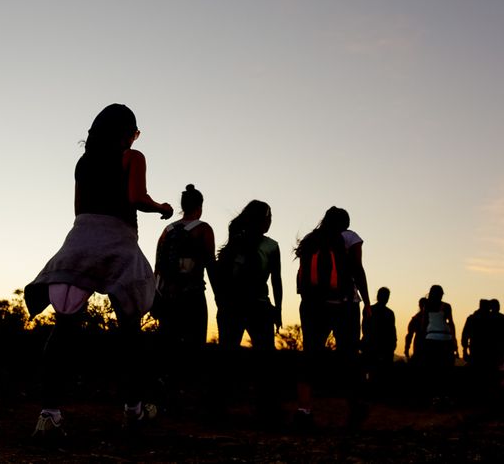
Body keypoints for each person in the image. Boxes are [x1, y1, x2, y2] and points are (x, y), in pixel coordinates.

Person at [23, 103, 173, 438]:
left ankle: (49, 415)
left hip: (80, 241)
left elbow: (78, 209)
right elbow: (137, 197)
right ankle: (133, 411)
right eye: (136, 132)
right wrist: (162, 207)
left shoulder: (83, 162)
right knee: (132, 333)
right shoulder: (132, 157)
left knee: (62, 331)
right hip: (118, 243)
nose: (137, 138)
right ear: (128, 133)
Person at [294, 206, 372, 429]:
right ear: (345, 223)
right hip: (344, 305)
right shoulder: (349, 237)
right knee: (349, 356)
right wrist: (366, 301)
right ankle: (355, 407)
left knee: (310, 355)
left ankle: (304, 410)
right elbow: (358, 268)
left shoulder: (310, 239)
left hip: (311, 305)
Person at [213, 200, 283, 422]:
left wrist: (221, 302)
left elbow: (221, 277)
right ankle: (266, 411)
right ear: (262, 220)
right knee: (265, 361)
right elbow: (277, 282)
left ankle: (218, 408)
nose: (271, 221)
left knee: (227, 356)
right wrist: (278, 309)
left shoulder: (234, 244)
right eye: (269, 217)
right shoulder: (270, 246)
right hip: (258, 307)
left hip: (234, 307)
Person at [153, 184, 216, 351]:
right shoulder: (203, 229)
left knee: (168, 345)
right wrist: (220, 296)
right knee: (194, 347)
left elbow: (158, 266)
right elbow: (211, 264)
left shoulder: (167, 230)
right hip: (192, 295)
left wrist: (156, 295)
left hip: (168, 296)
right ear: (200, 206)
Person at [421, 284, 457, 405]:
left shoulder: (427, 306)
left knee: (433, 369)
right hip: (445, 338)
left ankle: (434, 396)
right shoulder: (446, 306)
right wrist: (454, 340)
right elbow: (451, 323)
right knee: (445, 369)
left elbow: (424, 323)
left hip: (431, 338)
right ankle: (445, 395)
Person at [361, 287, 396, 390]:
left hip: (377, 344)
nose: (386, 299)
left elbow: (364, 327)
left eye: (387, 296)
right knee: (374, 369)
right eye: (385, 296)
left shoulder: (387, 313)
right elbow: (365, 327)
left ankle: (370, 388)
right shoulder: (388, 313)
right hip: (377, 344)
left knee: (371, 369)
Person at [404, 297, 427, 364]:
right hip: (421, 344)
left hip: (420, 344)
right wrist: (406, 348)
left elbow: (409, 335)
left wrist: (406, 349)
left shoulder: (416, 318)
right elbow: (409, 335)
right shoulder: (416, 318)